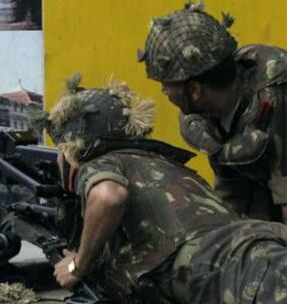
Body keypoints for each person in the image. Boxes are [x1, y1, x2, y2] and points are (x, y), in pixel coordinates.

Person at [29, 74, 287, 303]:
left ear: (76, 147)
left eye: (60, 148)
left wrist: (78, 265)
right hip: (259, 242)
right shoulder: (165, 164)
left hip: (234, 267)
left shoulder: (100, 164)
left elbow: (109, 197)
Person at [137, 1, 287, 222]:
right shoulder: (208, 114)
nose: (164, 91)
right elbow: (232, 196)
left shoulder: (273, 98)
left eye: (168, 85)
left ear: (195, 89)